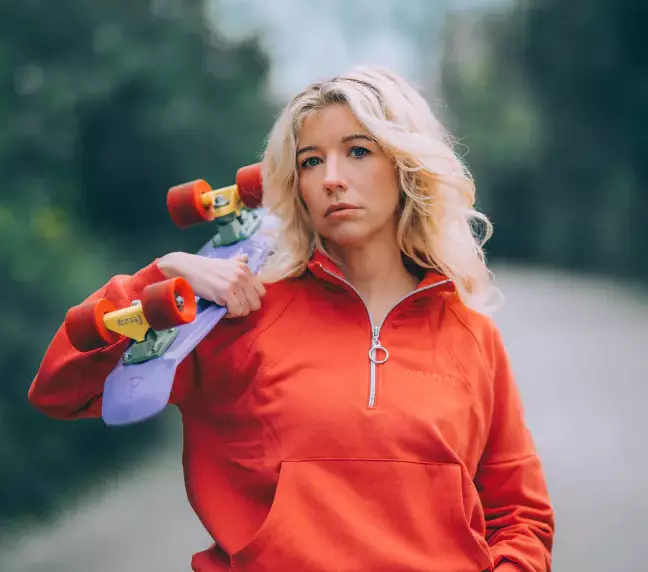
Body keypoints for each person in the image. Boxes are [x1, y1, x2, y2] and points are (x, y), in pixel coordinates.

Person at [29, 66, 555, 571]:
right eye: (310, 161)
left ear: (406, 165)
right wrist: (157, 279)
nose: (331, 179)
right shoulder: (239, 315)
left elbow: (520, 516)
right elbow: (59, 389)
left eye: (358, 151)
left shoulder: (471, 335)